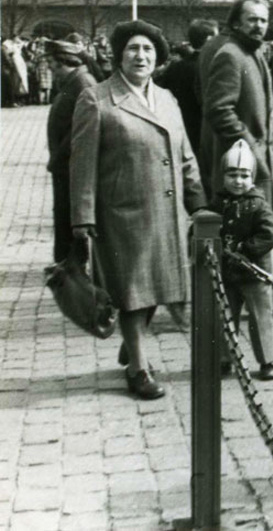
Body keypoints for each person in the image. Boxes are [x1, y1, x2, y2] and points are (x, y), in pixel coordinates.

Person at [70, 21, 206, 399]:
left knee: (158, 287)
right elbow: (81, 164)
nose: (141, 56)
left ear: (158, 57)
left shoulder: (166, 99)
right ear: (119, 55)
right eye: (133, 49)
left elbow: (185, 156)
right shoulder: (97, 100)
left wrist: (198, 203)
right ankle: (139, 369)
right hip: (123, 213)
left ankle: (133, 347)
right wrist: (82, 217)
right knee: (133, 293)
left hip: (167, 212)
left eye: (148, 49)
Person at [201, 0, 273, 316]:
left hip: (260, 160)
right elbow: (218, 109)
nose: (259, 25)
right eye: (252, 19)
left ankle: (272, 295)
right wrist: (248, 150)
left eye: (263, 20)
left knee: (265, 223)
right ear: (236, 22)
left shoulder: (253, 52)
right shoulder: (230, 55)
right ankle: (253, 301)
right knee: (253, 229)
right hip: (244, 167)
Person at [212, 139, 273, 381]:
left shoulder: (258, 204)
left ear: (252, 178)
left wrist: (247, 249)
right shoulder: (219, 202)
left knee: (260, 317)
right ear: (223, 176)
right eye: (232, 175)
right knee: (225, 316)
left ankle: (267, 360)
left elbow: (269, 234)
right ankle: (224, 358)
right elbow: (210, 226)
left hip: (253, 272)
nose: (238, 181)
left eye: (243, 175)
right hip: (227, 273)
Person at [44, 39, 97, 268]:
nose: (50, 70)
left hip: (71, 165)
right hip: (64, 165)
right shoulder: (73, 81)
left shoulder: (82, 83)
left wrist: (58, 158)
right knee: (64, 219)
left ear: (64, 62)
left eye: (52, 64)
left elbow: (81, 129)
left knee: (69, 219)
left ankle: (72, 268)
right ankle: (68, 265)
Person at [157, 19, 217, 155]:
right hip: (204, 136)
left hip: (178, 132)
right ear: (209, 39)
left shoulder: (174, 68)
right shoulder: (211, 68)